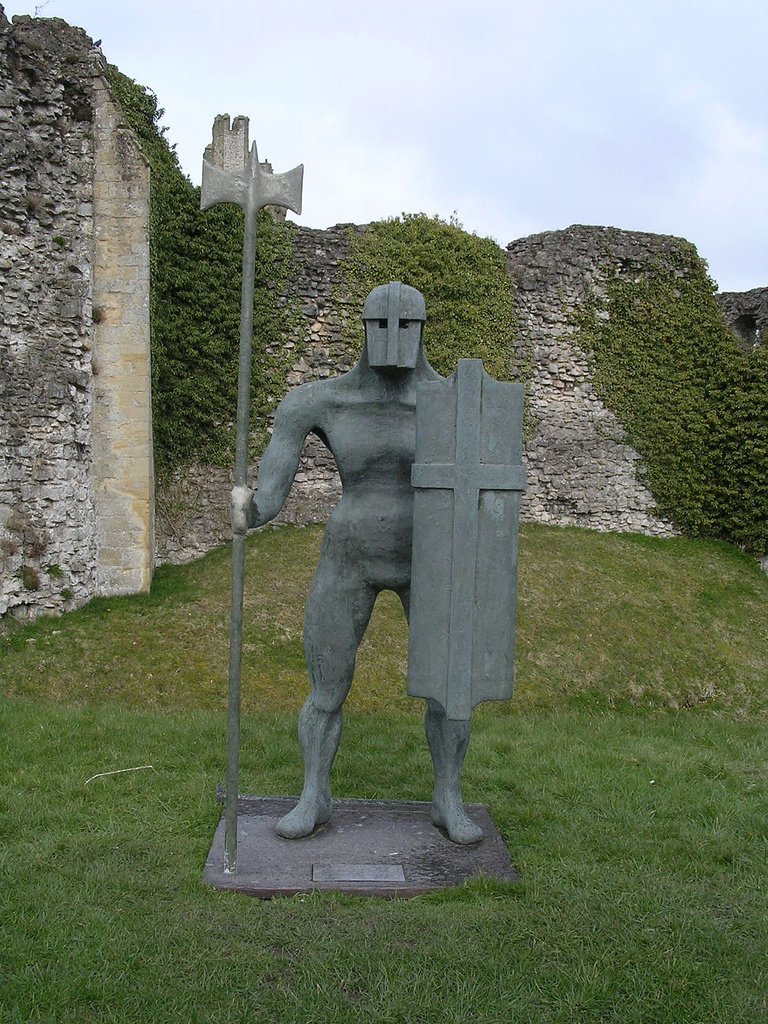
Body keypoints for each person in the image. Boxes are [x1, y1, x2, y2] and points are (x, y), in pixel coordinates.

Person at [231, 282, 483, 843]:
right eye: (381, 327)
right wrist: (247, 508)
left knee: (450, 686)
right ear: (363, 329)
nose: (393, 340)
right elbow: (270, 496)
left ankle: (448, 798)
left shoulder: (456, 400)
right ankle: (313, 795)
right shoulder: (317, 402)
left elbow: (489, 486)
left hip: (432, 556)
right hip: (350, 554)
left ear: (422, 331)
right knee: (326, 686)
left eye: (406, 328)